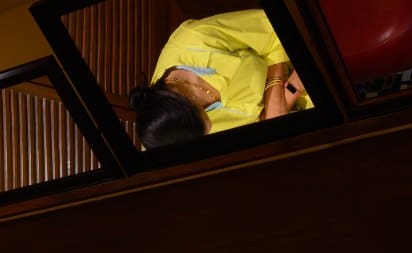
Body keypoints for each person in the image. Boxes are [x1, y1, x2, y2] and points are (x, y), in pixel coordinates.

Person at [130, 8, 310, 149]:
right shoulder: (168, 138)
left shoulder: (194, 39)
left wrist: (284, 87)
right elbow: (265, 132)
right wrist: (287, 96)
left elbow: (274, 30)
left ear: (181, 103)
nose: (208, 130)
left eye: (201, 118)